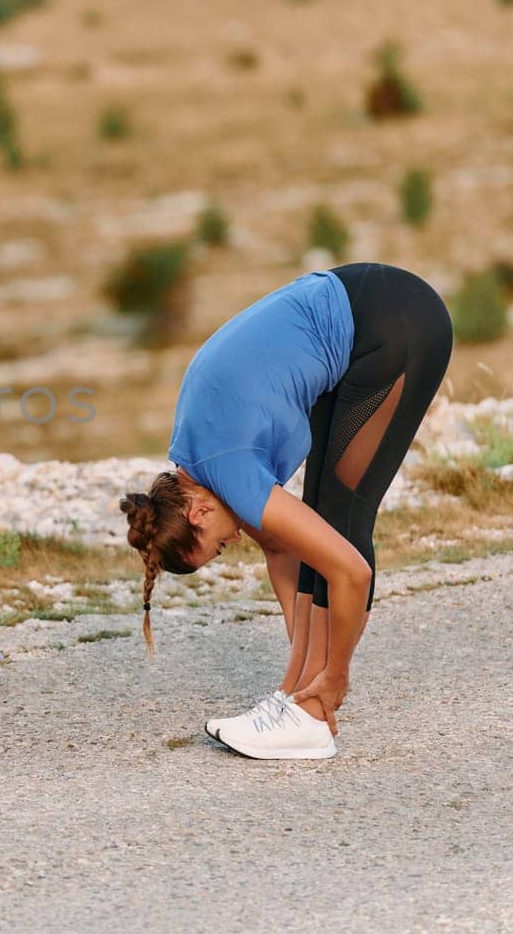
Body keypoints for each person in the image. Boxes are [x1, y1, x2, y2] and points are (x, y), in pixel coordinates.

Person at [118, 262, 453, 759]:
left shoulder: (225, 468)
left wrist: (334, 673)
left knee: (344, 522)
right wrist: (300, 668)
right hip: (363, 320)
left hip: (396, 326)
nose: (232, 546)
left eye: (215, 550)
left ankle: (313, 718)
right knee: (318, 518)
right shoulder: (193, 455)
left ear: (198, 516)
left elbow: (351, 573)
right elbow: (280, 546)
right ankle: (295, 703)